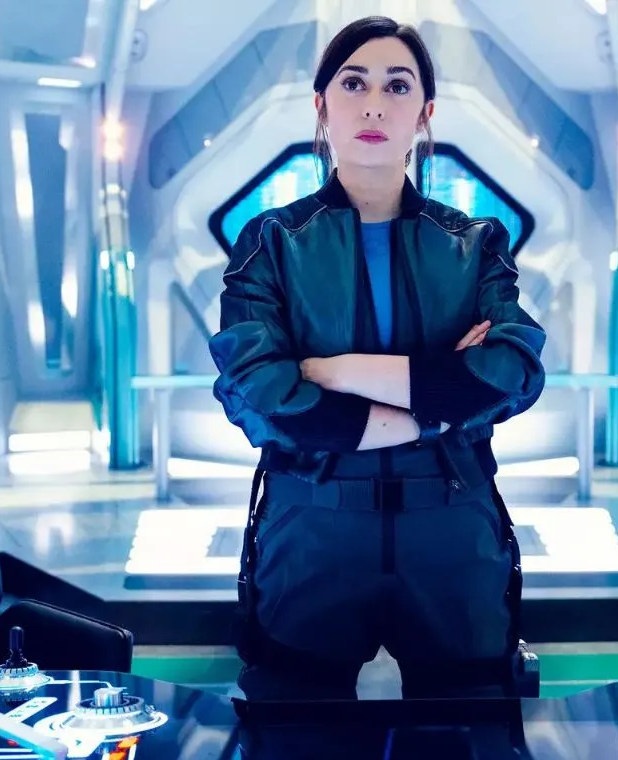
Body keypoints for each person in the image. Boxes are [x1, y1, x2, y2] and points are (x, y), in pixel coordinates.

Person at [208, 16, 546, 701]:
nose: (373, 105)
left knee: (466, 725)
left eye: (397, 86)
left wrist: (330, 372)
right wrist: (435, 403)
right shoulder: (270, 242)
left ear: (424, 114)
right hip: (311, 529)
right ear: (321, 105)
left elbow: (513, 368)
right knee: (295, 726)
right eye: (353, 83)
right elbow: (258, 392)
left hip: (452, 528)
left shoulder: (474, 242)